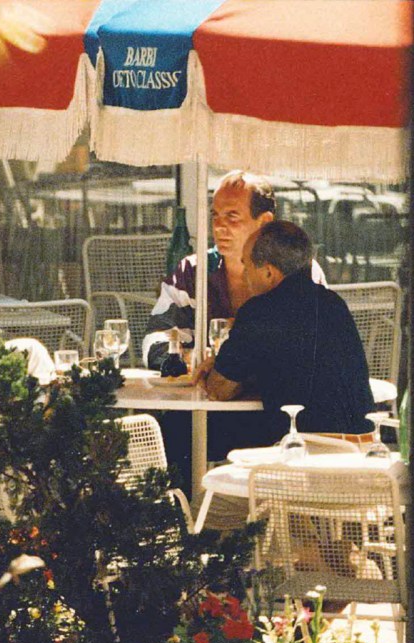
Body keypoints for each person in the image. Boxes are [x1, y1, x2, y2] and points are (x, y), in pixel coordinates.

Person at [196, 220, 374, 442]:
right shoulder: (334, 304)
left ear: (269, 272)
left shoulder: (258, 311)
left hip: (304, 455)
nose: (244, 276)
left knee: (186, 430)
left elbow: (219, 389)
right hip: (359, 450)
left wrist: (213, 367)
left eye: (247, 267)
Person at [142, 170, 326, 368]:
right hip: (206, 395)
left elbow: (315, 346)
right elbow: (155, 342)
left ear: (264, 221)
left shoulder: (297, 271)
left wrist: (234, 361)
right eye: (215, 215)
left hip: (279, 397)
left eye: (232, 216)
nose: (219, 227)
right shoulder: (193, 271)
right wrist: (199, 359)